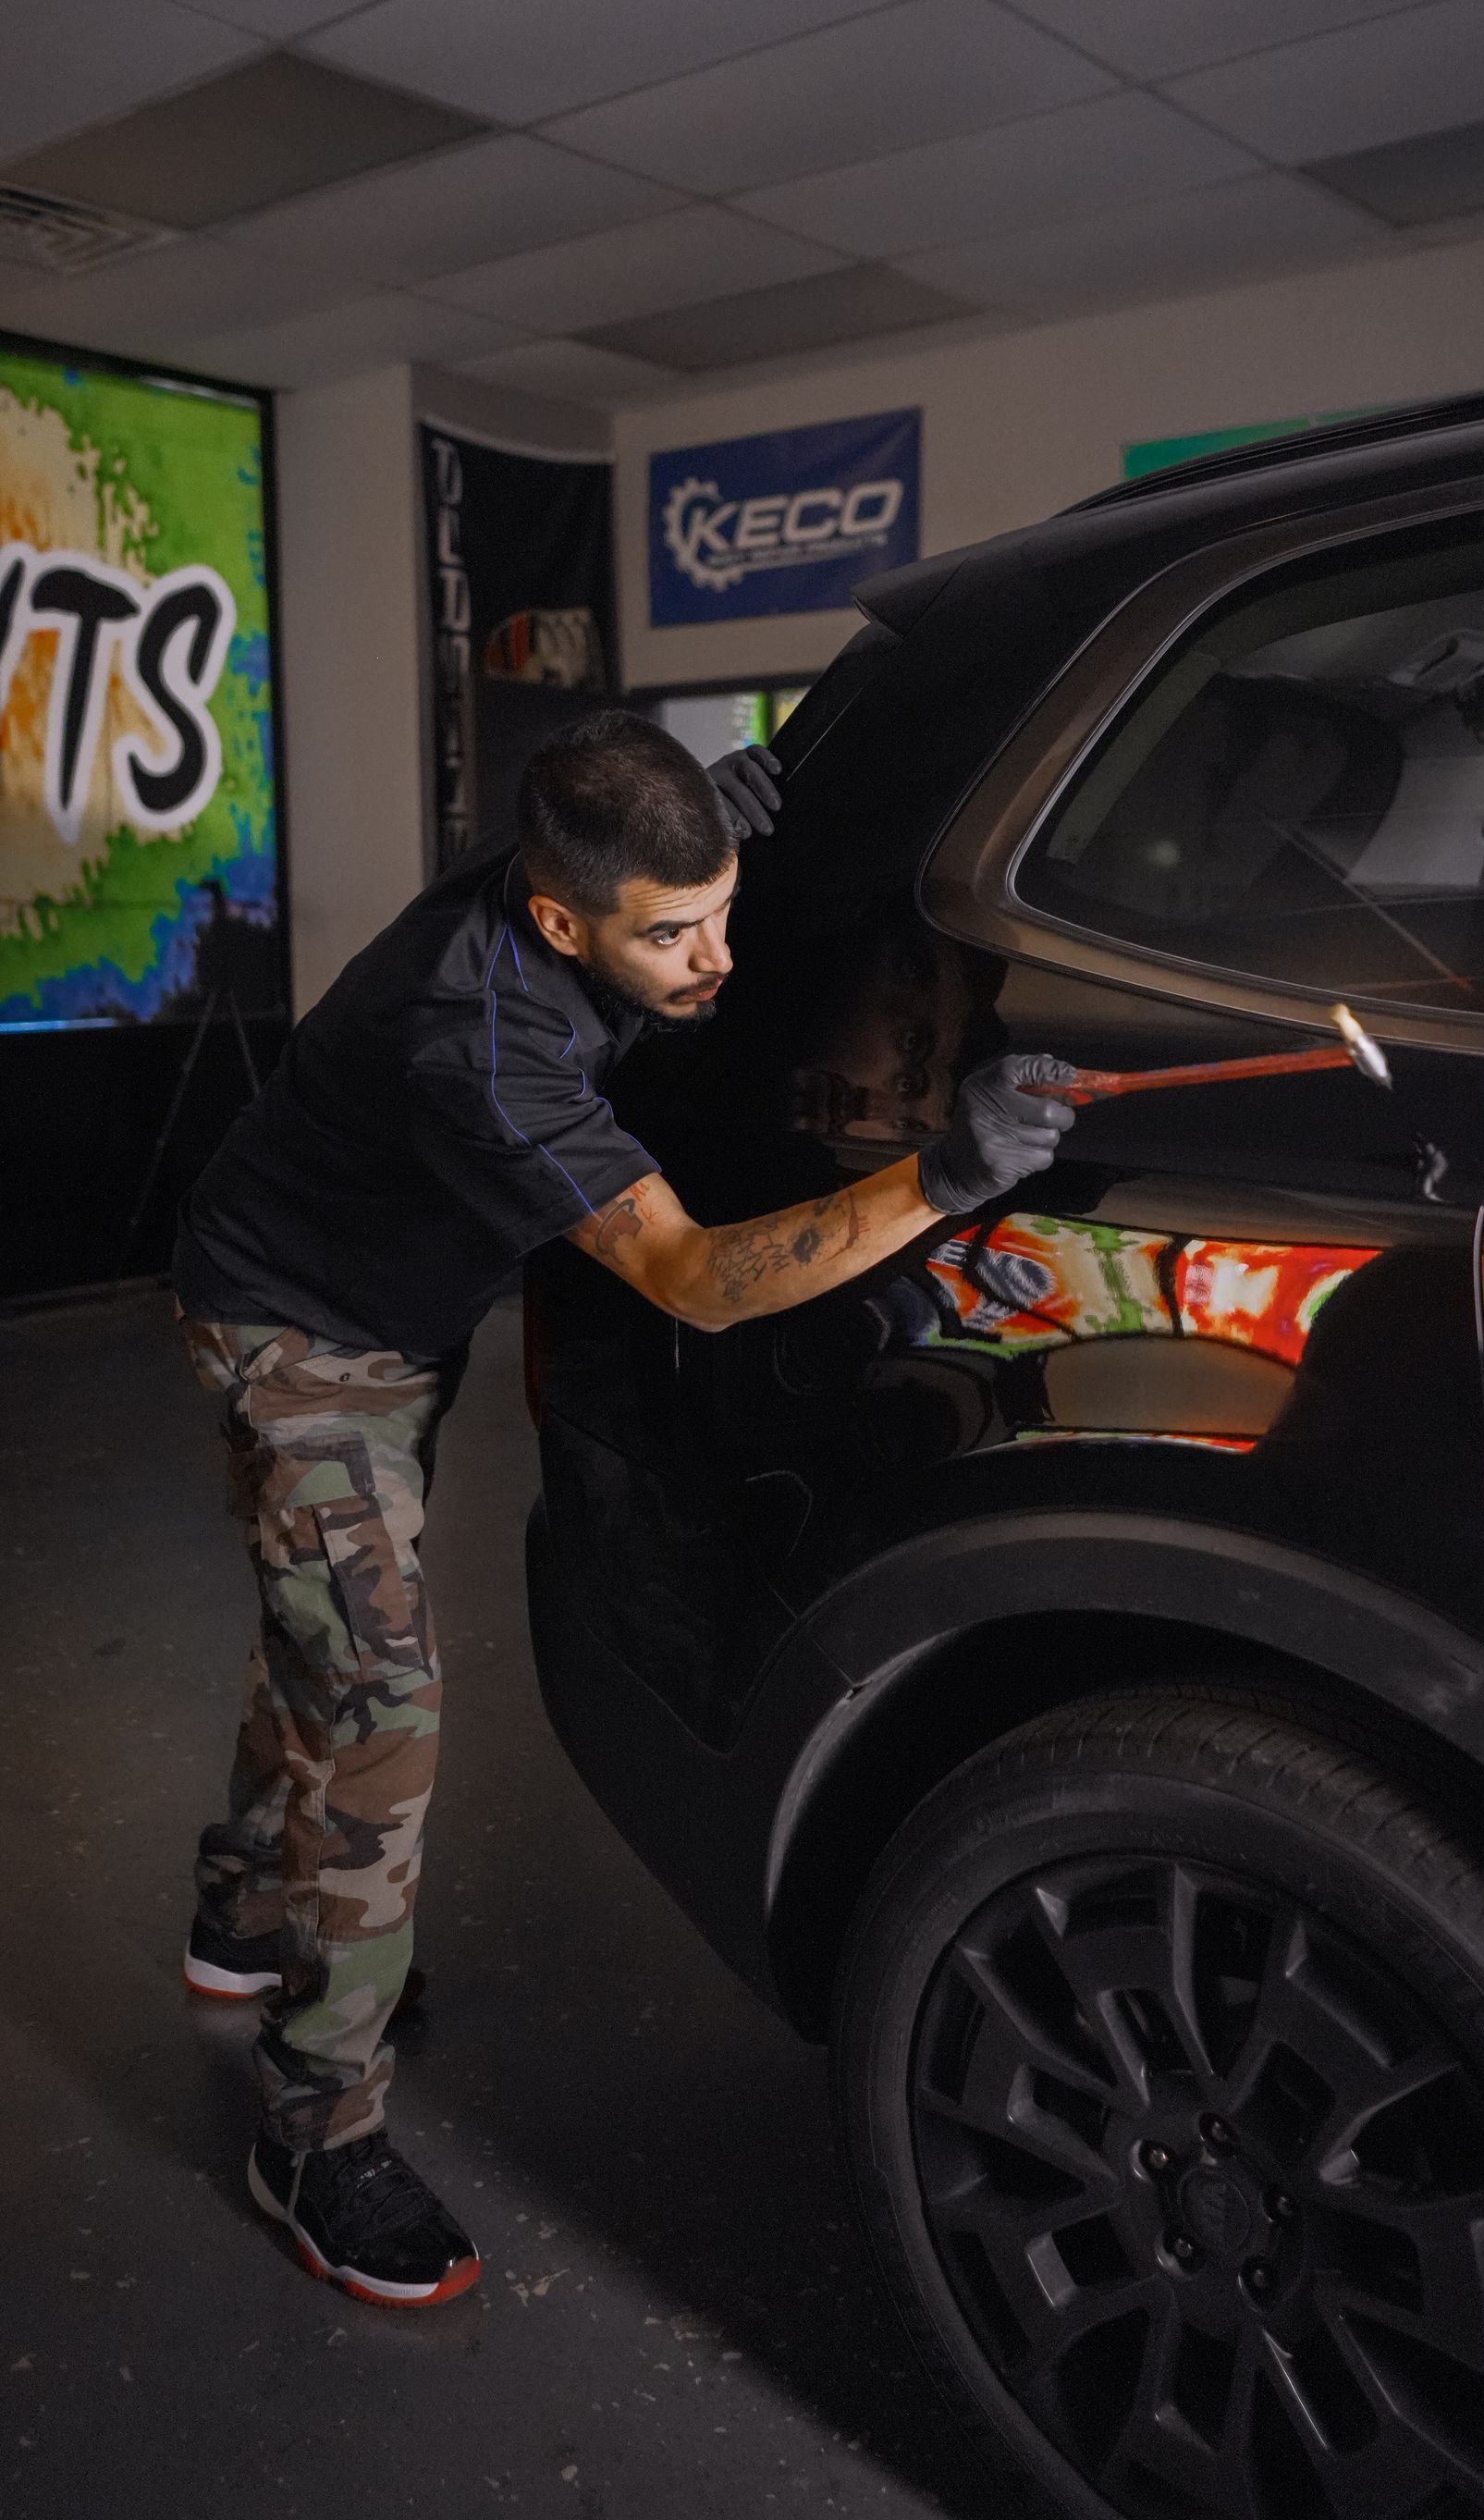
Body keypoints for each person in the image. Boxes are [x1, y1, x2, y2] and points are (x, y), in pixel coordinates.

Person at [171, 709, 1076, 2310]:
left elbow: (663, 866)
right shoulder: (488, 1043)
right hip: (301, 1335)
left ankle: (246, 1917)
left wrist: (715, 833)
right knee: (379, 1699)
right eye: (671, 935)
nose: (714, 959)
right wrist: (941, 1179)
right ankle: (314, 2131)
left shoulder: (572, 865)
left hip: (397, 1304)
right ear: (557, 918)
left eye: (719, 908)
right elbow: (695, 1279)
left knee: (325, 1619)